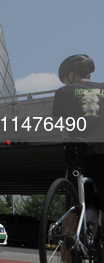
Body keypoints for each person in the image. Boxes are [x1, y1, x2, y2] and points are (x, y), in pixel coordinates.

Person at [53, 54, 104, 209]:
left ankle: (72, 231)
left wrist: (65, 143)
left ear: (70, 74)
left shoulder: (64, 92)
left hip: (79, 152)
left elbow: (65, 127)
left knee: (76, 200)